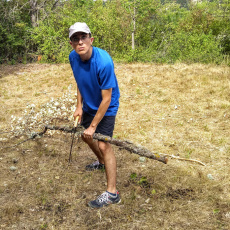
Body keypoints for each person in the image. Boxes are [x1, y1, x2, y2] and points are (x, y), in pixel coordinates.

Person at [69, 22, 120, 208]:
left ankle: (112, 193)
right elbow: (79, 80)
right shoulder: (73, 58)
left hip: (107, 106)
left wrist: (93, 126)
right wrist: (79, 106)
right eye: (76, 38)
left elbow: (106, 99)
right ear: (71, 43)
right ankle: (100, 162)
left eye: (83, 37)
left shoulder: (103, 62)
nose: (80, 42)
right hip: (89, 104)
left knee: (103, 144)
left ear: (91, 39)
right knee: (86, 136)